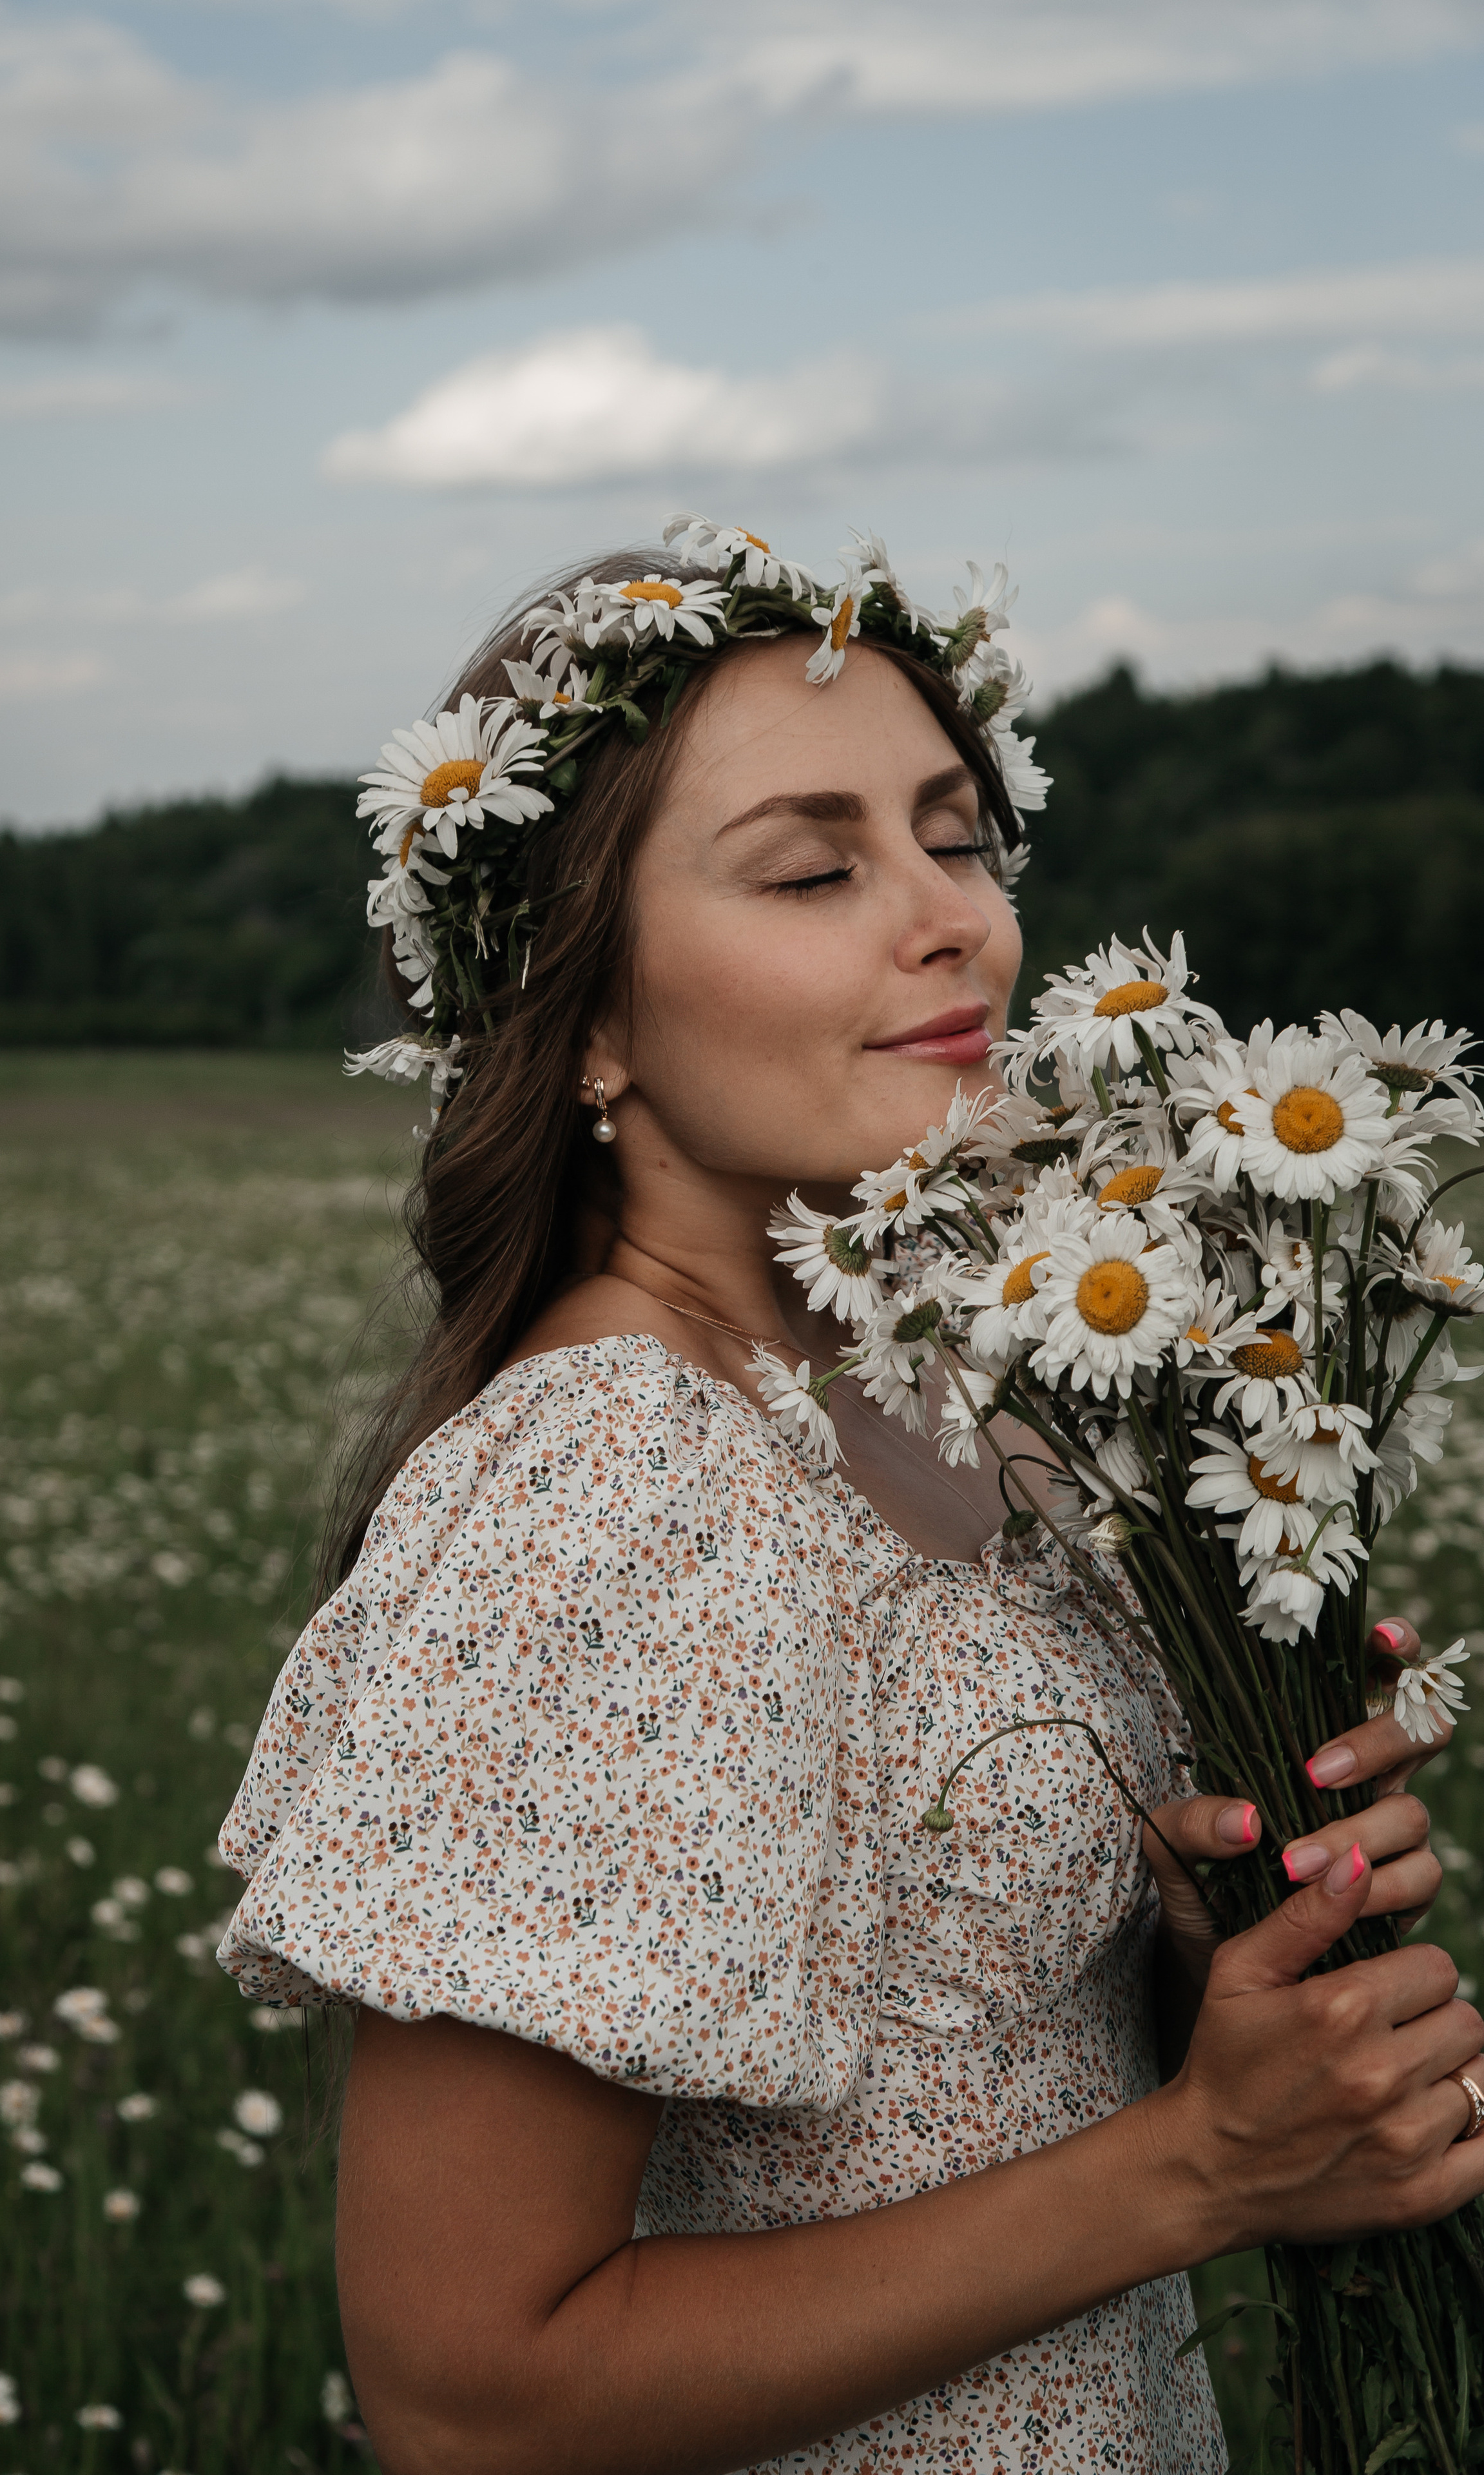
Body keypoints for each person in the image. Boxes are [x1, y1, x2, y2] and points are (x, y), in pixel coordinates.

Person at [217, 522, 1483, 2474]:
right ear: (596, 1021)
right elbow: (472, 2398)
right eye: (813, 869)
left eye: (960, 836)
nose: (953, 919)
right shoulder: (613, 1492)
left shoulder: (977, 1410)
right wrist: (1205, 2169)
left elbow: (947, 2076)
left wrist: (1226, 1932)